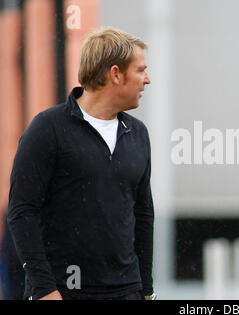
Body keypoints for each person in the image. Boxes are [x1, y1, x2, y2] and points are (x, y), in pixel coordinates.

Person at [7, 27, 155, 300]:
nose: (147, 80)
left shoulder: (139, 133)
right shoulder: (47, 128)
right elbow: (21, 211)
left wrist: (146, 290)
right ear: (115, 74)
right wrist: (44, 289)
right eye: (140, 70)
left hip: (127, 293)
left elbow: (143, 215)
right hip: (64, 292)